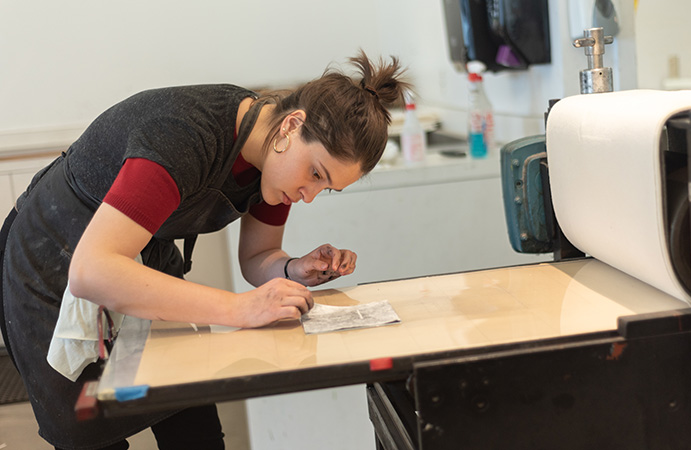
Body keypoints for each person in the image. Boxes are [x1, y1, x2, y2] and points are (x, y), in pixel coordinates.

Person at [0, 51, 409, 449]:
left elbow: (256, 258)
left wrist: (293, 270)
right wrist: (239, 309)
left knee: (192, 421)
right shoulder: (181, 134)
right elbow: (93, 271)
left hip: (142, 256)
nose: (309, 195)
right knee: (91, 432)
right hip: (54, 254)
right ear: (291, 126)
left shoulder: (277, 166)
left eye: (327, 188)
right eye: (316, 174)